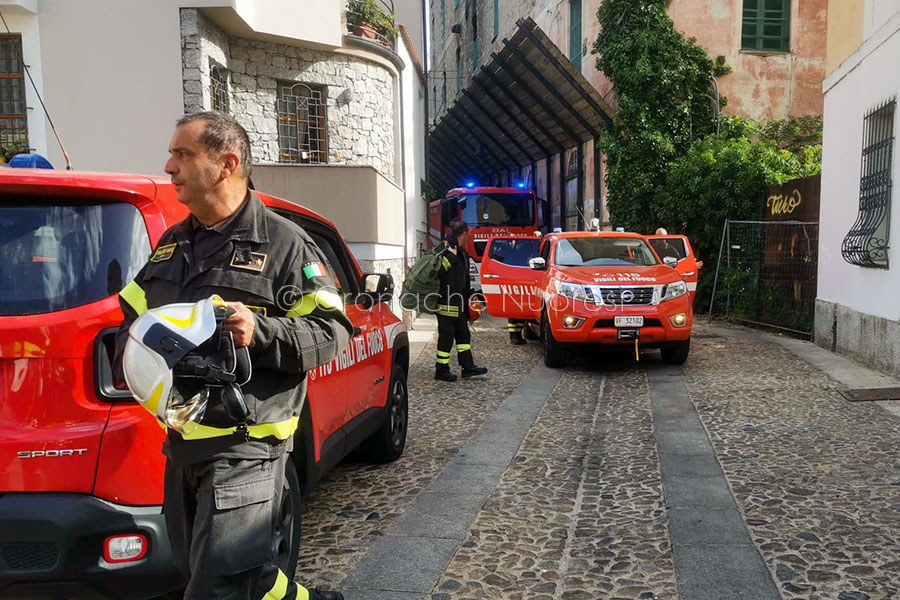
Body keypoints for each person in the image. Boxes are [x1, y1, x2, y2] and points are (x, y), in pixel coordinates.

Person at [114, 112, 351, 600]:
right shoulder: (173, 243)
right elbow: (132, 322)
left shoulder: (286, 243)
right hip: (183, 441)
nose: (169, 167)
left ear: (226, 163)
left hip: (249, 444)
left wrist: (259, 331)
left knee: (217, 587)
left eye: (182, 155)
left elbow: (333, 331)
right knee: (230, 573)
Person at [434, 220, 488, 382]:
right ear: (464, 234)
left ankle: (468, 368)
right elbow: (438, 271)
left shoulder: (462, 253)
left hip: (459, 305)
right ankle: (441, 371)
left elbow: (463, 279)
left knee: (464, 336)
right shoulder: (445, 250)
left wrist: (472, 295)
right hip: (446, 304)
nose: (469, 236)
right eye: (468, 234)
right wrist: (450, 255)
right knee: (446, 338)